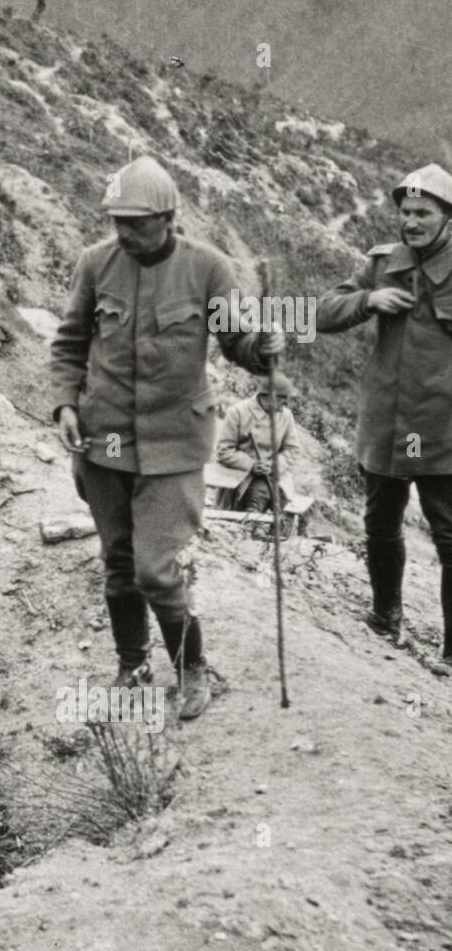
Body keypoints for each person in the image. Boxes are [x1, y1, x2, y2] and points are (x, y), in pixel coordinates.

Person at [49, 156, 284, 718]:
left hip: (175, 443)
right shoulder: (95, 264)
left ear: (167, 217)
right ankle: (132, 664)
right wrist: (63, 403)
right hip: (104, 440)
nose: (123, 233)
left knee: (156, 567)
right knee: (118, 561)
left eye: (135, 223)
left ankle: (191, 668)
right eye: (116, 222)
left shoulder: (208, 269)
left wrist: (261, 349)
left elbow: (236, 343)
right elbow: (69, 343)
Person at [315, 163, 452, 667]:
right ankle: (384, 617)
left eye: (424, 213)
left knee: (450, 537)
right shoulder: (381, 263)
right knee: (380, 523)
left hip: (443, 428)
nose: (411, 222)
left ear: (447, 217)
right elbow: (324, 312)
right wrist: (368, 300)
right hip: (387, 423)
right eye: (406, 212)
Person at [216, 372, 303, 514]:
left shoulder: (286, 416)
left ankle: (267, 525)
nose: (286, 402)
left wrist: (275, 465)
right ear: (268, 396)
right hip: (242, 476)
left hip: (274, 475)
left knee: (285, 504)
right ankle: (256, 523)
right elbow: (223, 450)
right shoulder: (238, 412)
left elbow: (292, 449)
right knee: (256, 496)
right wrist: (252, 465)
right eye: (283, 398)